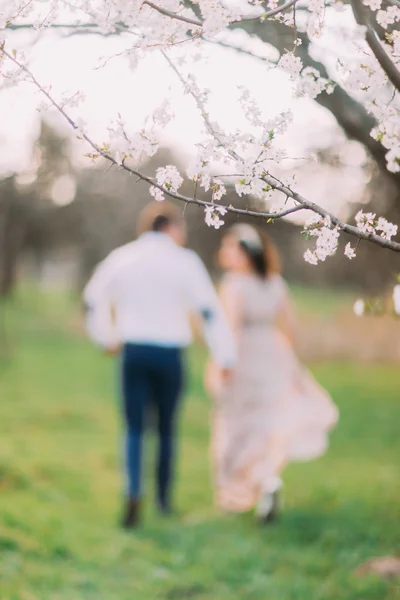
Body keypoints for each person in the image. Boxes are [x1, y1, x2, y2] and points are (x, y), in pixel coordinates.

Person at [83, 201, 236, 528]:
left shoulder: (123, 257)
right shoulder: (185, 261)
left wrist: (105, 338)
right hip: (169, 354)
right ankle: (164, 500)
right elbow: (208, 310)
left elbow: (92, 298)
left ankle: (133, 490)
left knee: (134, 427)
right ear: (170, 227)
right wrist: (225, 355)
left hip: (133, 351)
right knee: (167, 428)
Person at [206, 223, 338, 523]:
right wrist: (287, 361)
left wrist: (223, 366)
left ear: (244, 254)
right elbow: (290, 328)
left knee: (238, 427)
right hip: (274, 355)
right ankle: (268, 482)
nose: (224, 252)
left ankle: (235, 495)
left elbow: (233, 329)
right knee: (266, 427)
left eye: (229, 247)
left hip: (245, 358)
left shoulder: (235, 285)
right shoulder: (276, 283)